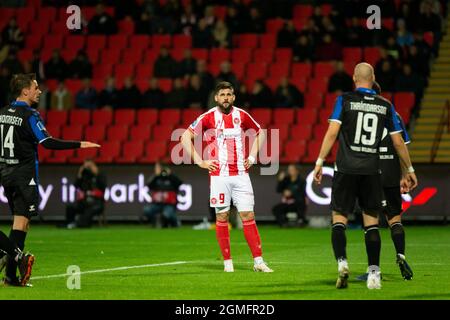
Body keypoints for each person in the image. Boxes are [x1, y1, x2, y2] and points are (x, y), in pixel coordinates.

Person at [312, 63, 418, 290]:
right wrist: (410, 170)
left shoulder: (345, 100)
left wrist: (320, 161)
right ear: (373, 78)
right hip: (372, 171)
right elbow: (399, 142)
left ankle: (342, 263)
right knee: (371, 223)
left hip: (346, 168)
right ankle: (373, 273)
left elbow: (332, 132)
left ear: (353, 78)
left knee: (339, 218)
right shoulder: (385, 105)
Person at [0, 73, 100, 286]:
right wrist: (80, 144)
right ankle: (13, 259)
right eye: (35, 87)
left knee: (19, 223)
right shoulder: (29, 115)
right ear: (24, 91)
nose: (39, 91)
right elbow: (48, 142)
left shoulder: (1, 113)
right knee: (22, 223)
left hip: (6, 175)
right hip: (24, 176)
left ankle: (10, 273)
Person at [181, 81, 273, 273]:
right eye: (222, 95)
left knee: (248, 215)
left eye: (229, 95)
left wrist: (252, 156)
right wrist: (200, 162)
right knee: (222, 216)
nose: (226, 98)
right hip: (218, 176)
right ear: (216, 98)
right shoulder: (207, 117)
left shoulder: (242, 115)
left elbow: (260, 133)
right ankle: (228, 263)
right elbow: (184, 137)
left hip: (241, 174)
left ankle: (258, 261)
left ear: (234, 97)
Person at [357, 81, 414, 281]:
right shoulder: (394, 114)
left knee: (370, 223)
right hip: (390, 173)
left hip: (369, 173)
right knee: (394, 219)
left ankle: (374, 271)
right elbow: (400, 145)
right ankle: (401, 255)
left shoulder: (361, 113)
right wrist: (406, 173)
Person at [64, 159, 106, 229]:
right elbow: (76, 186)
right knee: (70, 207)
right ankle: (70, 224)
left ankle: (81, 224)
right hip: (84, 202)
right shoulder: (84, 177)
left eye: (90, 166)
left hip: (97, 203)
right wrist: (80, 173)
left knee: (89, 210)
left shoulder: (100, 176)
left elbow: (103, 188)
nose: (88, 169)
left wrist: (95, 173)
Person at [143, 163, 182, 228]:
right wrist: (156, 175)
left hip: (169, 204)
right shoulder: (156, 178)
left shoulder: (171, 179)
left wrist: (170, 174)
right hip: (156, 204)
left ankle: (174, 222)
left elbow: (179, 183)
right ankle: (155, 222)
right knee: (147, 210)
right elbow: (148, 185)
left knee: (167, 214)